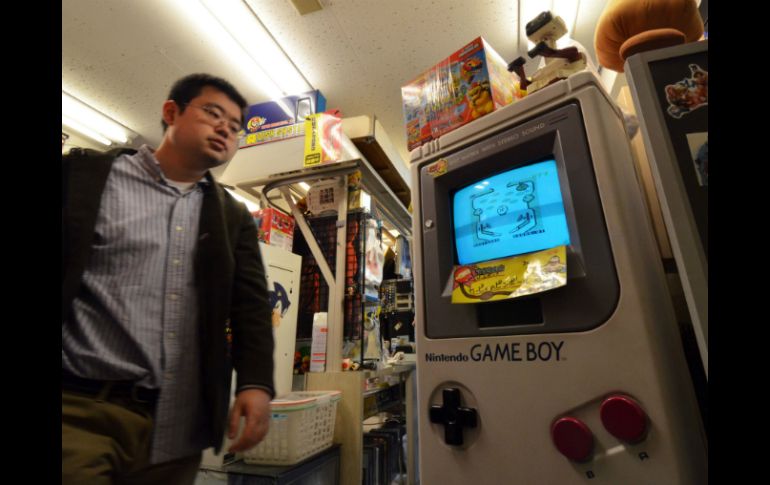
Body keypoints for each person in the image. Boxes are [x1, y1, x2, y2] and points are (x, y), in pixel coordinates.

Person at [62, 73, 275, 484]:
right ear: (171, 112)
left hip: (177, 427)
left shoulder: (232, 219)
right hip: (80, 411)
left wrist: (256, 384)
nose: (225, 130)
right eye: (213, 113)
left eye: (235, 127)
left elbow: (250, 307)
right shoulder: (84, 179)